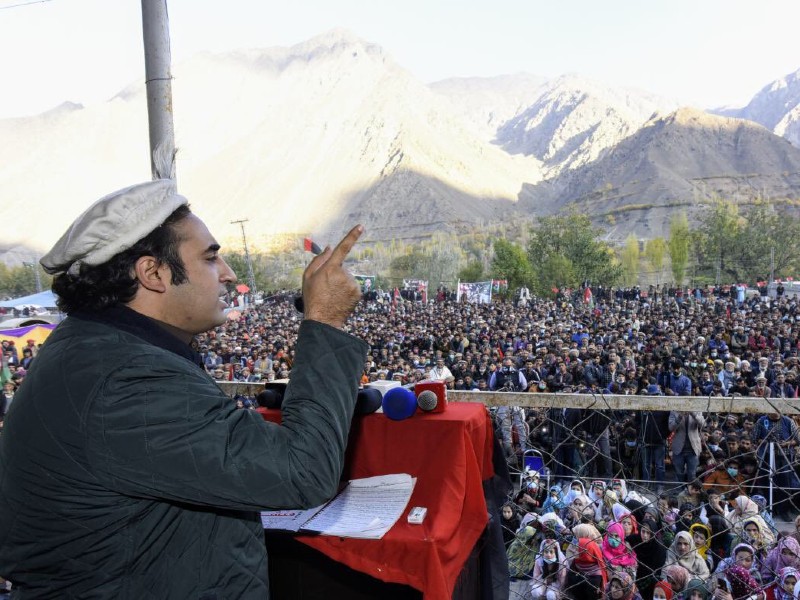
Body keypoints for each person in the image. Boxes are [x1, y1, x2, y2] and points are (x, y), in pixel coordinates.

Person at [0, 179, 368, 598]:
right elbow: (302, 471)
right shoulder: (124, 381)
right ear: (153, 273)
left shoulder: (99, 351)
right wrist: (325, 320)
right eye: (210, 258)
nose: (228, 275)